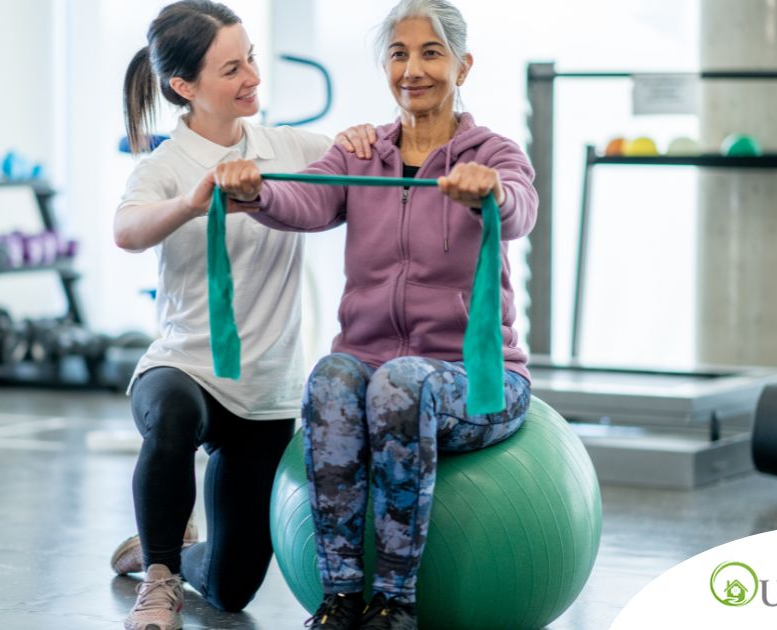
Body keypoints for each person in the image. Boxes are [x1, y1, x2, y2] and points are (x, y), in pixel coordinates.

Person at [213, 1, 537, 628]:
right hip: (374, 371)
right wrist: (255, 191)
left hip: (477, 383)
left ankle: (395, 604)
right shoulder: (360, 154)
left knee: (398, 385)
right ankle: (339, 598)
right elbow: (302, 196)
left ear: (463, 65)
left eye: (431, 52)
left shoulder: (493, 153)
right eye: (398, 53)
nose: (413, 68)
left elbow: (522, 208)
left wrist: (489, 191)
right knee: (334, 376)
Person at [112, 2, 375, 629]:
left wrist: (368, 140)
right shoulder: (164, 167)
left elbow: (362, 163)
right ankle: (159, 577)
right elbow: (126, 230)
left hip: (264, 391)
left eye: (251, 57)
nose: (253, 76)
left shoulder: (289, 147)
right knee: (171, 416)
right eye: (232, 68)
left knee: (232, 591)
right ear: (185, 87)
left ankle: (164, 551)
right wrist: (190, 203)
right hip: (186, 368)